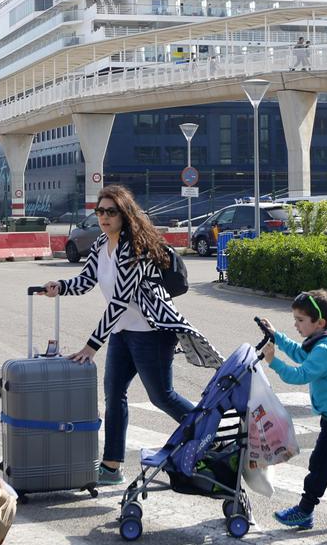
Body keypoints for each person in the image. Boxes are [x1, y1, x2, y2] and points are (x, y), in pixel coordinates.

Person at [43, 185, 221, 486]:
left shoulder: (134, 250)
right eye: (99, 211)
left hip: (151, 332)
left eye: (111, 211)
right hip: (123, 332)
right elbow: (86, 280)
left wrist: (91, 346)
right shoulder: (101, 245)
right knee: (114, 395)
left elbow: (120, 300)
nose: (104, 217)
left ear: (125, 214)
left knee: (161, 396)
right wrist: (60, 285)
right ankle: (111, 467)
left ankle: (210, 434)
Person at [259, 289, 327, 530]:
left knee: (320, 464)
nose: (296, 325)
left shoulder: (323, 350)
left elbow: (300, 374)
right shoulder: (324, 341)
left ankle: (305, 510)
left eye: (300, 320)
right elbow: (300, 354)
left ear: (319, 323)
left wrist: (273, 362)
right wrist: (276, 336)